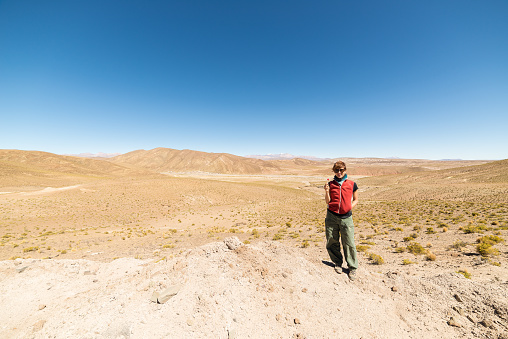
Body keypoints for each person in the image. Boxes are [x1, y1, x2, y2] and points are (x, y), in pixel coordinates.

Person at [324, 161, 359, 281]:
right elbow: (328, 202)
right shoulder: (331, 184)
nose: (339, 173)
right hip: (332, 216)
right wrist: (326, 191)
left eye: (341, 170)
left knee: (348, 242)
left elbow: (356, 199)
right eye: (336, 170)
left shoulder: (352, 184)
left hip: (346, 217)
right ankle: (337, 263)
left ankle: (352, 267)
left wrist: (349, 207)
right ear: (333, 171)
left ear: (345, 170)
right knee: (332, 240)